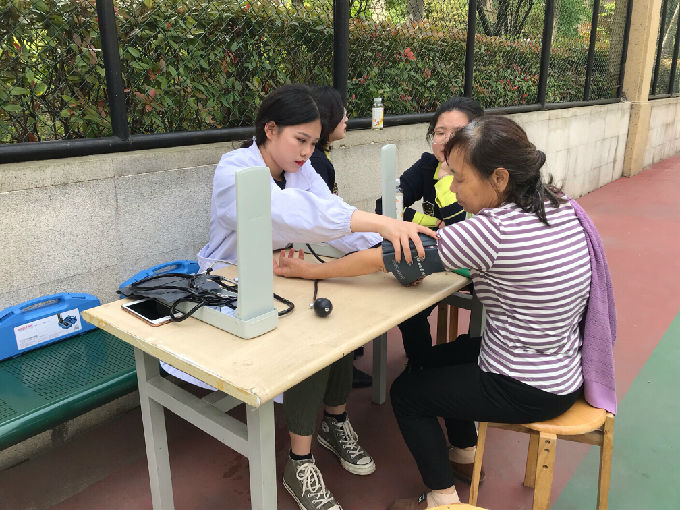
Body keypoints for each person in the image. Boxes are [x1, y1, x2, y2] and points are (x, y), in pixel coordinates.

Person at [274, 115, 616, 509]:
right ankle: (464, 453)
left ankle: (442, 498)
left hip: (528, 386)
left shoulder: (492, 230)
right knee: (434, 360)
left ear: (499, 179)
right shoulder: (557, 203)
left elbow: (383, 259)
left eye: (459, 178)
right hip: (561, 367)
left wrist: (310, 271)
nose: (452, 188)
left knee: (407, 394)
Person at [195, 84, 436, 510]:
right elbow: (293, 214)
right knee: (309, 344)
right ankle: (299, 461)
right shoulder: (235, 170)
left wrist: (389, 253)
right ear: (270, 129)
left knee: (338, 323)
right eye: (300, 140)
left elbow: (333, 217)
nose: (307, 152)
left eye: (313, 142)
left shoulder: (299, 170)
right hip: (230, 286)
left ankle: (334, 421)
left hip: (278, 279)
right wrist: (383, 224)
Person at [376, 97, 484, 367]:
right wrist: (432, 224)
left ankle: (465, 365)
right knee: (408, 306)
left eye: (458, 133)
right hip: (439, 258)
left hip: (476, 268)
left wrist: (446, 177)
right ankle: (420, 364)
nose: (447, 140)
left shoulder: (482, 174)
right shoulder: (426, 165)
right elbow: (385, 206)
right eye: (440, 132)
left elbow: (460, 231)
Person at [310, 85, 373, 389]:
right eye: (341, 112)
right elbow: (325, 218)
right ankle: (341, 365)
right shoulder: (316, 162)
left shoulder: (320, 158)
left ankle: (347, 359)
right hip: (316, 247)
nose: (347, 118)